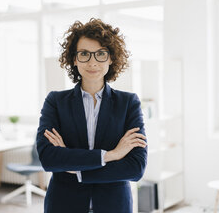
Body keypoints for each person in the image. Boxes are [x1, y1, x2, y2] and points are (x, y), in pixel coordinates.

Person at [36, 18, 148, 213]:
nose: (93, 62)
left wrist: (76, 168)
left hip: (113, 205)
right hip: (64, 204)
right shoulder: (55, 101)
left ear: (111, 58)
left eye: (101, 54)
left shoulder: (128, 103)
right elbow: (49, 158)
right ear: (74, 58)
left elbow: (135, 167)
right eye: (84, 54)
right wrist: (111, 155)